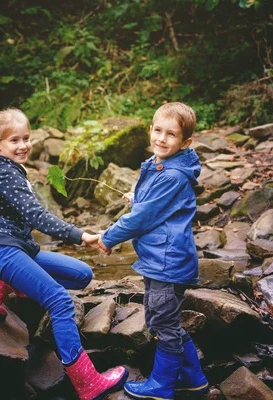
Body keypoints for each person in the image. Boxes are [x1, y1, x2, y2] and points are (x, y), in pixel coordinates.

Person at [0, 108, 128, 400]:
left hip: (17, 248)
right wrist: (81, 235)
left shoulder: (8, 169)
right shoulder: (3, 171)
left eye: (26, 138)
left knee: (82, 275)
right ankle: (87, 382)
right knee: (59, 300)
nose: (23, 146)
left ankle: (0, 284)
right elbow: (38, 217)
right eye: (14, 140)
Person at [98, 102, 208, 399]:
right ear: (150, 130)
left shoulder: (172, 175)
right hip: (162, 259)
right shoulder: (165, 166)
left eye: (170, 134)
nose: (161, 138)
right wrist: (137, 196)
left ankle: (161, 385)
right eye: (157, 130)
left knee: (162, 321)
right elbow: (156, 205)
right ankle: (194, 378)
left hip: (167, 263)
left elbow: (143, 218)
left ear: (185, 142)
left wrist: (107, 238)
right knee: (164, 319)